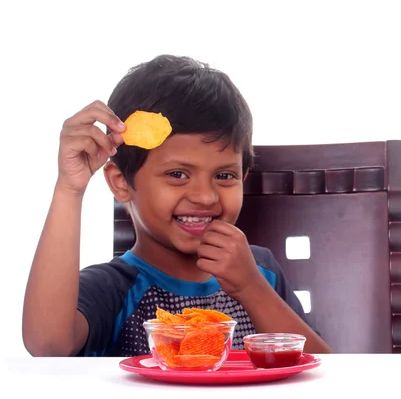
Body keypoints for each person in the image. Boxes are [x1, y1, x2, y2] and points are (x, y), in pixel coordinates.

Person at [22, 54, 332, 357]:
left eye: (224, 175)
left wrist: (251, 287)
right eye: (177, 174)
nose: (205, 196)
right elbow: (49, 346)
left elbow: (325, 371)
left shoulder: (261, 271)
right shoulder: (113, 289)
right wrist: (69, 189)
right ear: (121, 182)